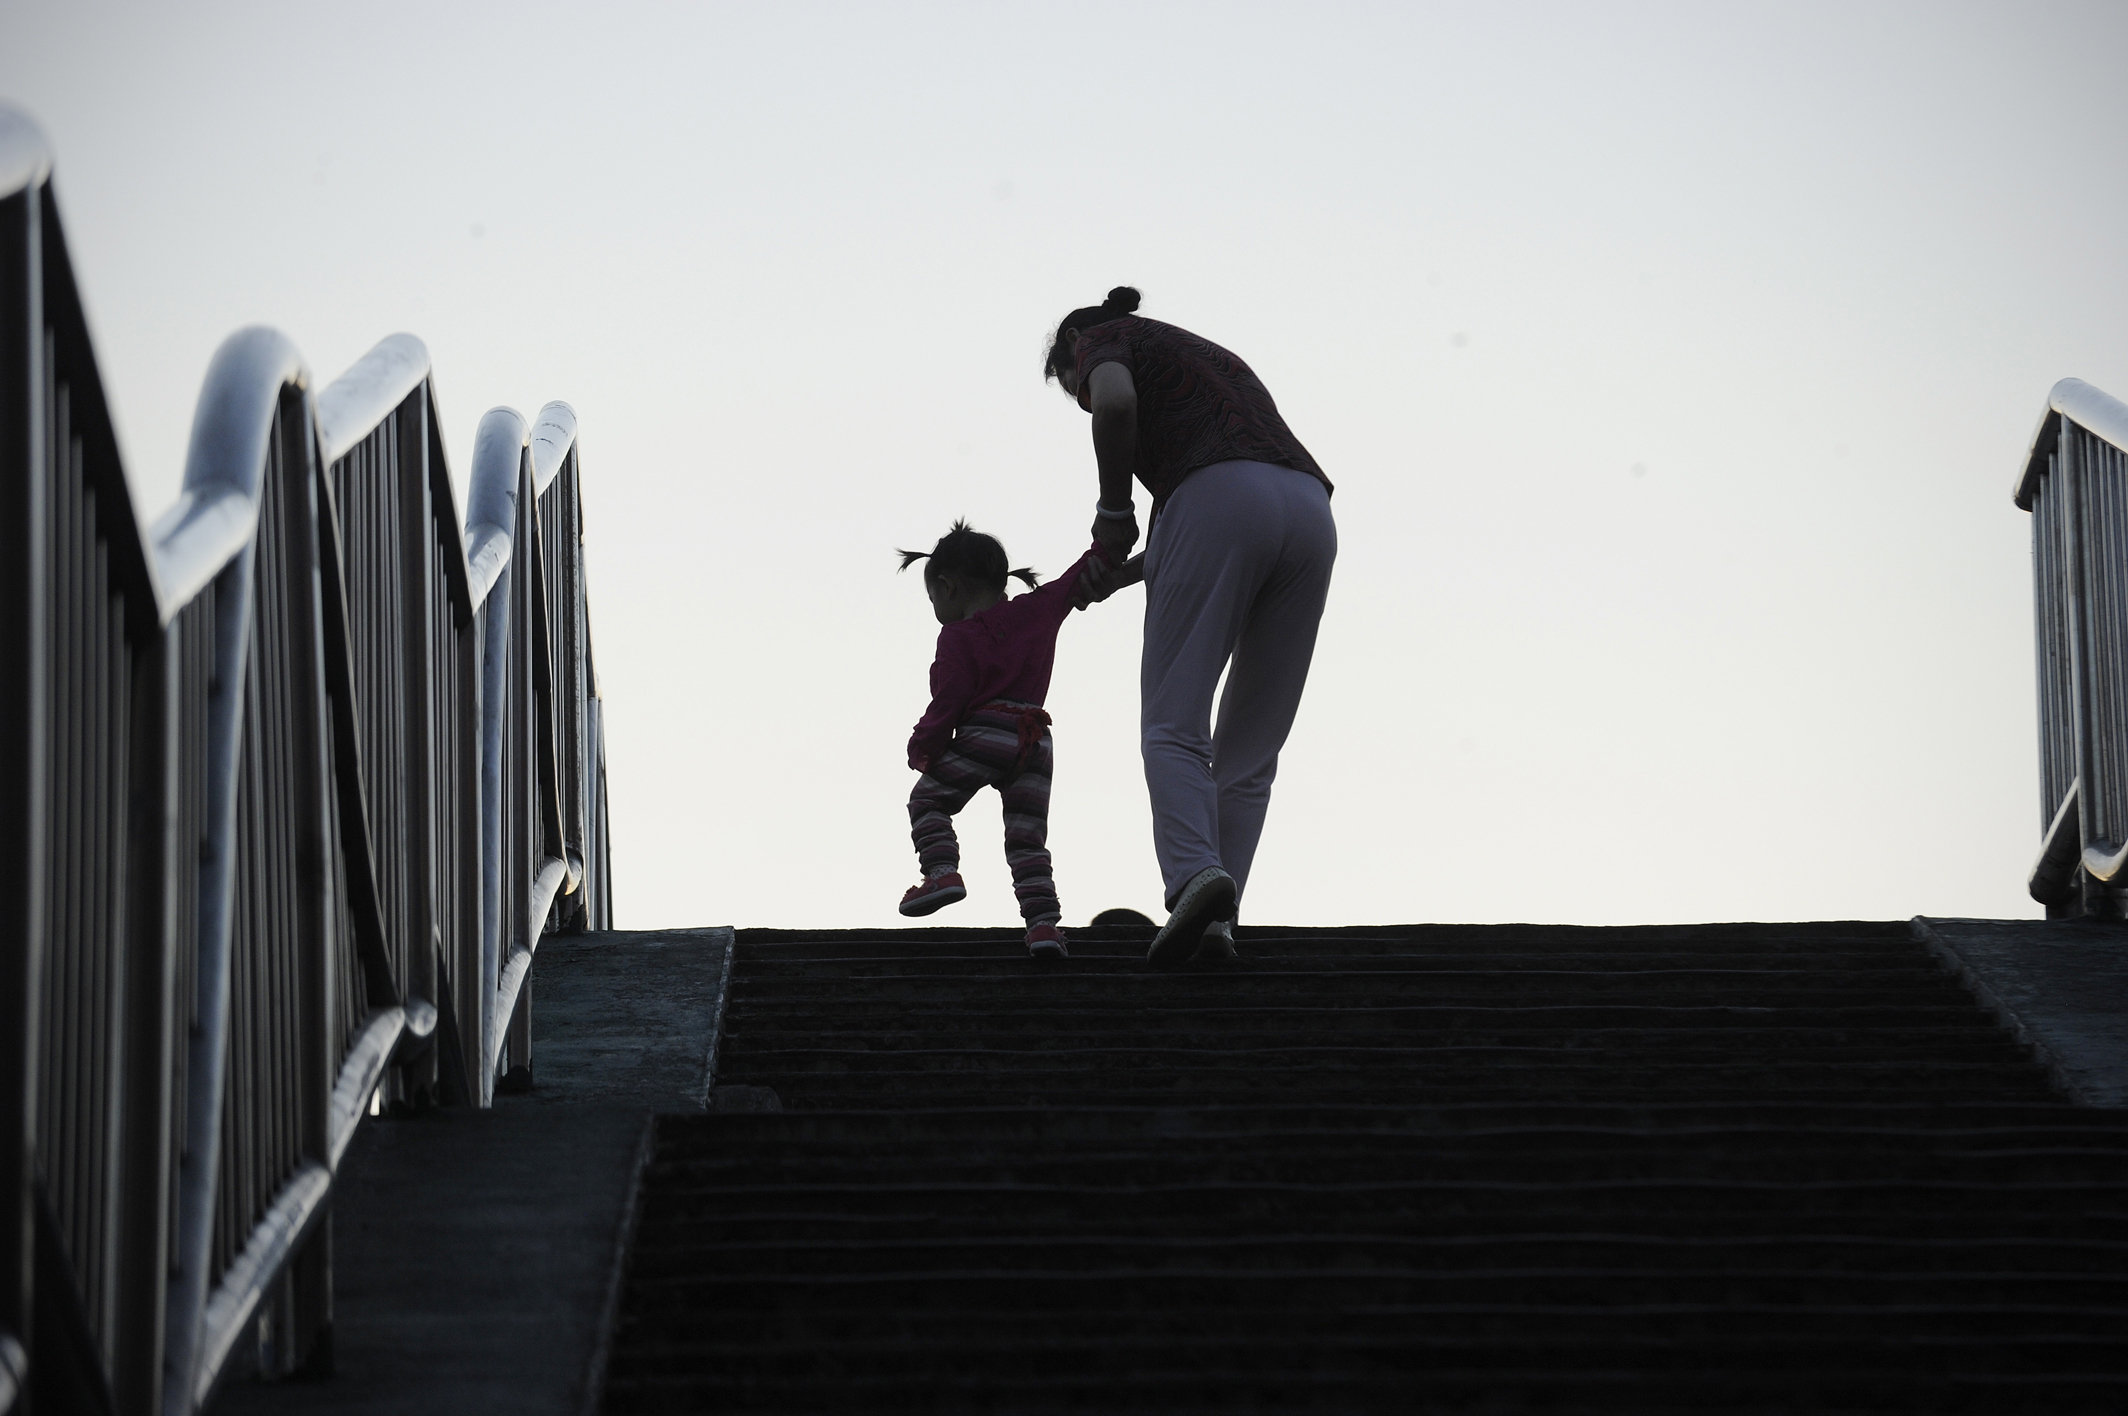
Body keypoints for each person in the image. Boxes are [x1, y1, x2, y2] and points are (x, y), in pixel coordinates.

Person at [1048, 287, 1336, 969]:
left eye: (1071, 390)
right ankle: (1217, 924)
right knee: (1252, 748)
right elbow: (1242, 501)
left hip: (1212, 499)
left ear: (1070, 353)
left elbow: (1117, 404)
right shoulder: (1213, 357)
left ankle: (1192, 879)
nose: (1081, 396)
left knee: (1173, 723)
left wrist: (1114, 511)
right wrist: (1125, 571)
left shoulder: (1099, 340)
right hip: (1308, 511)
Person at [898, 521, 1108, 959]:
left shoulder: (957, 636)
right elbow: (1079, 574)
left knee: (928, 801)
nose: (935, 606)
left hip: (986, 730)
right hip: (1035, 737)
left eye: (933, 597)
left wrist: (924, 746)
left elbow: (950, 699)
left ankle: (942, 873)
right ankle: (1044, 926)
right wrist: (1107, 546)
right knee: (1027, 839)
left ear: (947, 586)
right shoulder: (1039, 609)